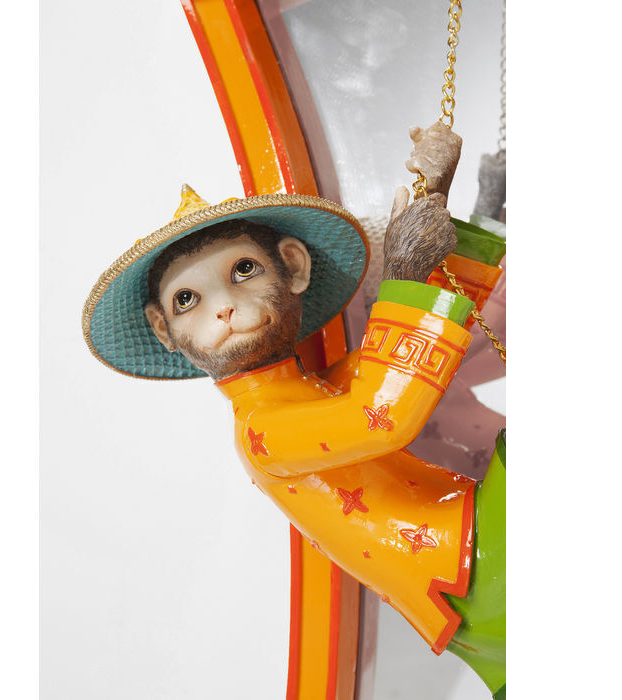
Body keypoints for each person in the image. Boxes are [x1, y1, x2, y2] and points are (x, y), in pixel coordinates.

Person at [82, 124, 505, 698]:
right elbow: (383, 416)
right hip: (467, 571)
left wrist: (435, 193)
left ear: (293, 266)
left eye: (243, 270)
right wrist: (403, 273)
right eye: (187, 299)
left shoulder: (317, 390)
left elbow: (424, 348)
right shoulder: (263, 431)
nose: (223, 305)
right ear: (165, 330)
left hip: (472, 559)